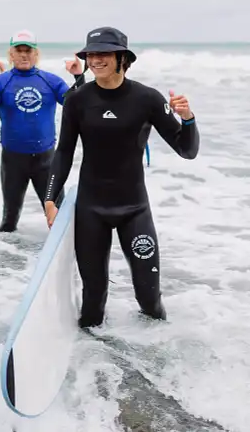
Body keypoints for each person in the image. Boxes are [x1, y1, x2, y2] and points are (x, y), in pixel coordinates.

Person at [43, 26, 199, 328]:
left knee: (149, 297)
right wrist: (50, 198)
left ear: (122, 58)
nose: (95, 59)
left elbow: (186, 150)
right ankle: (92, 366)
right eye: (91, 54)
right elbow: (63, 152)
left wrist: (188, 119)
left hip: (134, 209)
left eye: (103, 53)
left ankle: (158, 362)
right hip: (91, 209)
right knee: (93, 299)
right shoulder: (77, 100)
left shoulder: (148, 99)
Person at [0, 29, 85, 232]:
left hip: (46, 161)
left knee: (56, 218)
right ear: (11, 55)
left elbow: (79, 105)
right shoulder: (2, 81)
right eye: (19, 50)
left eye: (29, 50)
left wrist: (79, 76)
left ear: (36, 54)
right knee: (9, 219)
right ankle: (5, 259)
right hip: (13, 161)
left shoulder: (51, 81)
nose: (24, 55)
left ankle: (65, 259)